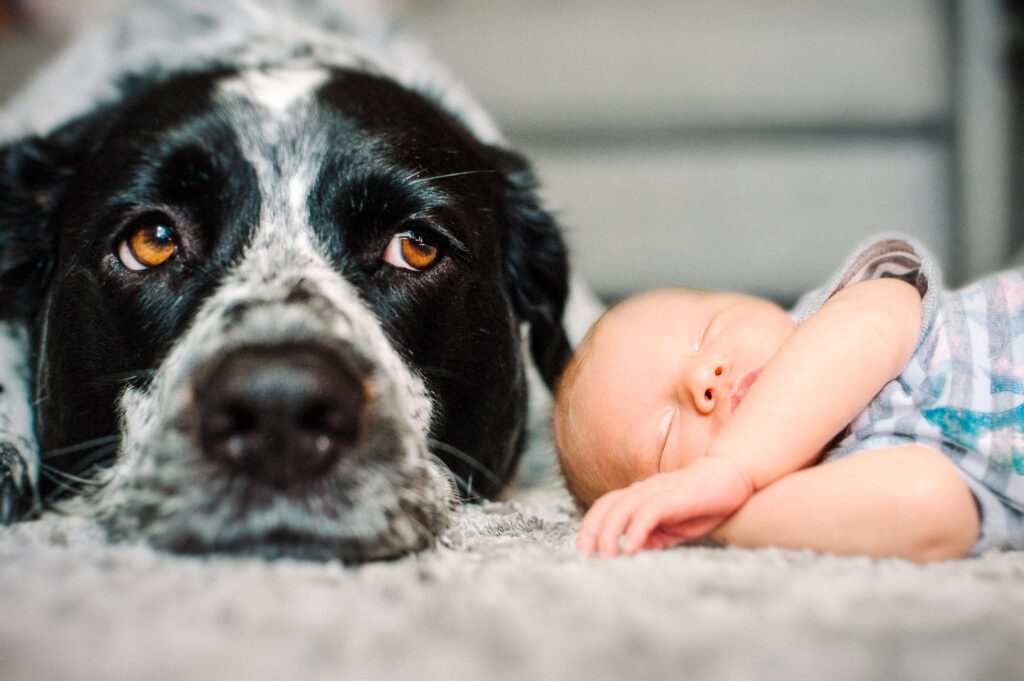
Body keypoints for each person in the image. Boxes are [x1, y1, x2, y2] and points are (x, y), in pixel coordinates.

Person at [554, 235, 1024, 563]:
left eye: (705, 333)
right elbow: (931, 504)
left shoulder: (831, 318)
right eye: (665, 434)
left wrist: (731, 466)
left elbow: (878, 319)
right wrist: (715, 523)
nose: (702, 377)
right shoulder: (830, 493)